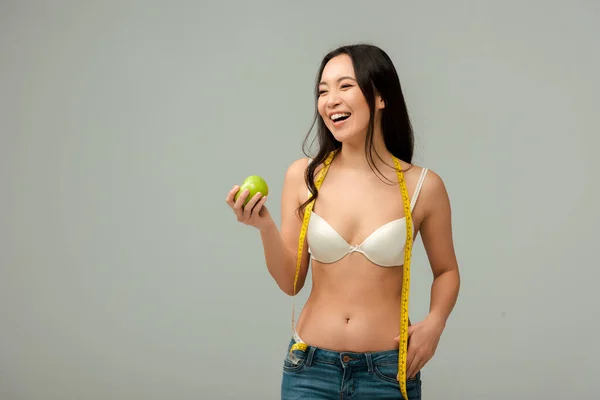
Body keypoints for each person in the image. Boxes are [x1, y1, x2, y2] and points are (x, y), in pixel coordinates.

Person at [225, 44, 460, 399]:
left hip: (386, 372)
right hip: (309, 370)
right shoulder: (304, 176)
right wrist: (265, 227)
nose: (330, 99)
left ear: (380, 97)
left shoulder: (423, 187)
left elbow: (447, 271)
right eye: (323, 90)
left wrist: (435, 324)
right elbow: (291, 282)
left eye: (345, 86)